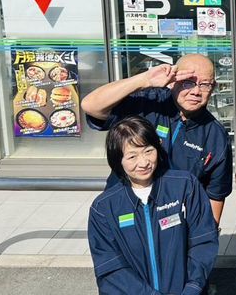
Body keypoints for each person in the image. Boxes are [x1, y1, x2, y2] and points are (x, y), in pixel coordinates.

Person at [82, 53, 232, 224]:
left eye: (205, 84)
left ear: (213, 87)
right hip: (123, 214)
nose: (196, 91)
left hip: (173, 225)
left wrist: (208, 233)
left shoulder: (215, 135)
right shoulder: (148, 102)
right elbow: (91, 105)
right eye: (188, 82)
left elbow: (215, 195)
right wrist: (144, 80)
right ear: (173, 81)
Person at [88, 116, 218, 294]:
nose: (143, 163)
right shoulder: (104, 208)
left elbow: (203, 240)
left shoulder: (185, 186)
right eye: (132, 156)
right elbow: (109, 267)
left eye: (148, 151)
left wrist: (193, 287)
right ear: (118, 159)